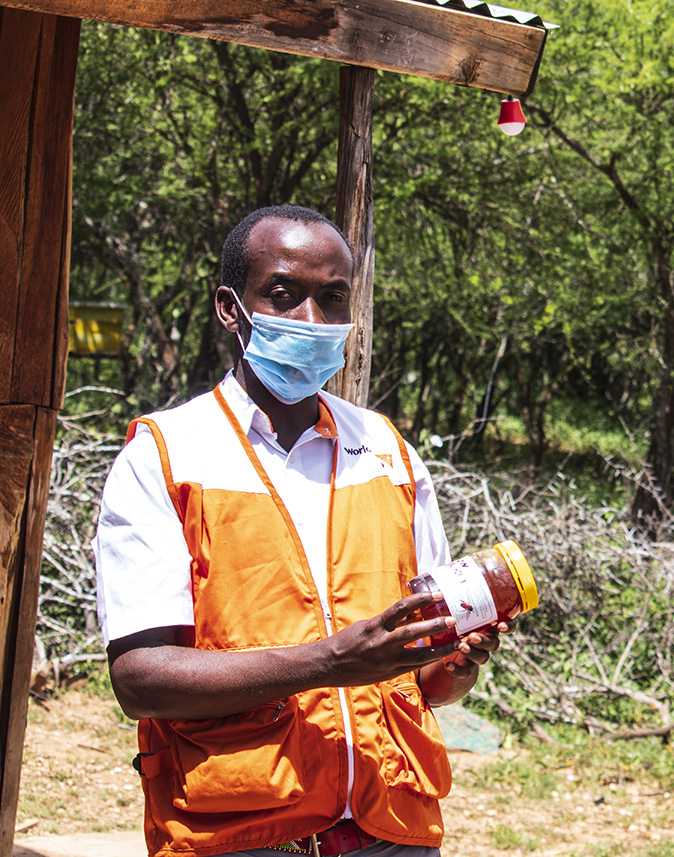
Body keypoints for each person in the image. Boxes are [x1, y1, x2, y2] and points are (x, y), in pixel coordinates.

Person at [93, 205, 505, 857]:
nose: (312, 320)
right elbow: (140, 678)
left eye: (332, 297)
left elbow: (426, 680)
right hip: (237, 833)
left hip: (392, 827)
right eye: (284, 295)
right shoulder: (168, 453)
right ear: (232, 307)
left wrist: (456, 661)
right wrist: (330, 663)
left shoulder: (388, 451)